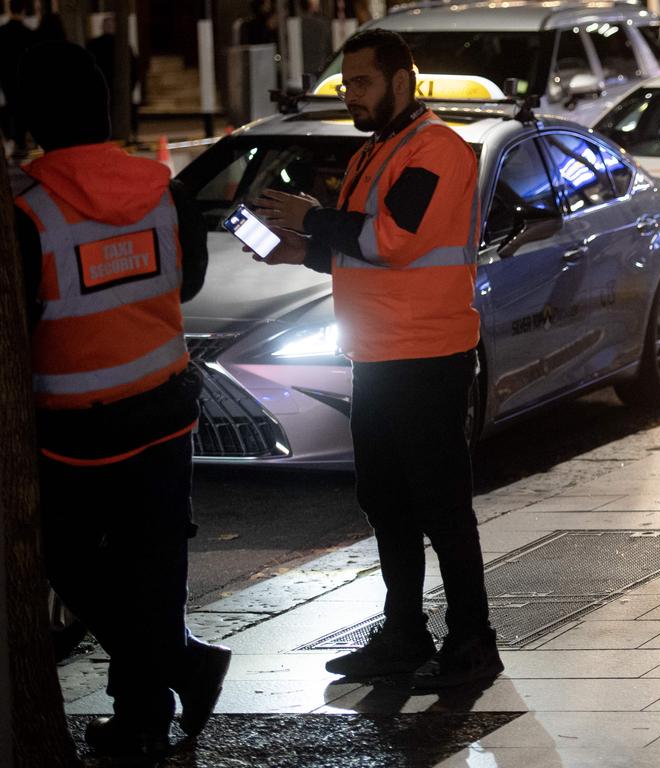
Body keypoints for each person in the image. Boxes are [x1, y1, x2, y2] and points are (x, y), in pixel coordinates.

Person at [251, 28, 503, 690]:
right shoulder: (377, 152)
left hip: (428, 356)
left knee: (442, 506)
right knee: (386, 501)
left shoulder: (437, 151)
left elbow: (392, 240)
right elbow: (362, 246)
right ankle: (404, 635)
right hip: (380, 354)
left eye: (361, 83)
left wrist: (311, 220)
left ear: (402, 82)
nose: (351, 95)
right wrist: (295, 249)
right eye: (345, 84)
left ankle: (473, 641)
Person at [13, 41, 230, 761]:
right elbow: (188, 281)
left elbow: (22, 325)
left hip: (76, 430)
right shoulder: (161, 188)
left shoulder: (28, 211)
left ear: (34, 121)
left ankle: (181, 667)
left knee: (72, 566)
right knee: (155, 567)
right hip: (165, 412)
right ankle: (143, 718)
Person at [0, 0, 37, 155]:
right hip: (23, 76)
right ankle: (21, 140)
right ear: (23, 11)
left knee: (9, 106)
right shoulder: (29, 34)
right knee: (22, 107)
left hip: (5, 75)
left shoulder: (2, 32)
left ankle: (12, 137)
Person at [299, 0, 333, 76]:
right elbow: (328, 46)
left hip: (303, 67)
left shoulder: (297, 23)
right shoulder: (322, 23)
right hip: (320, 67)